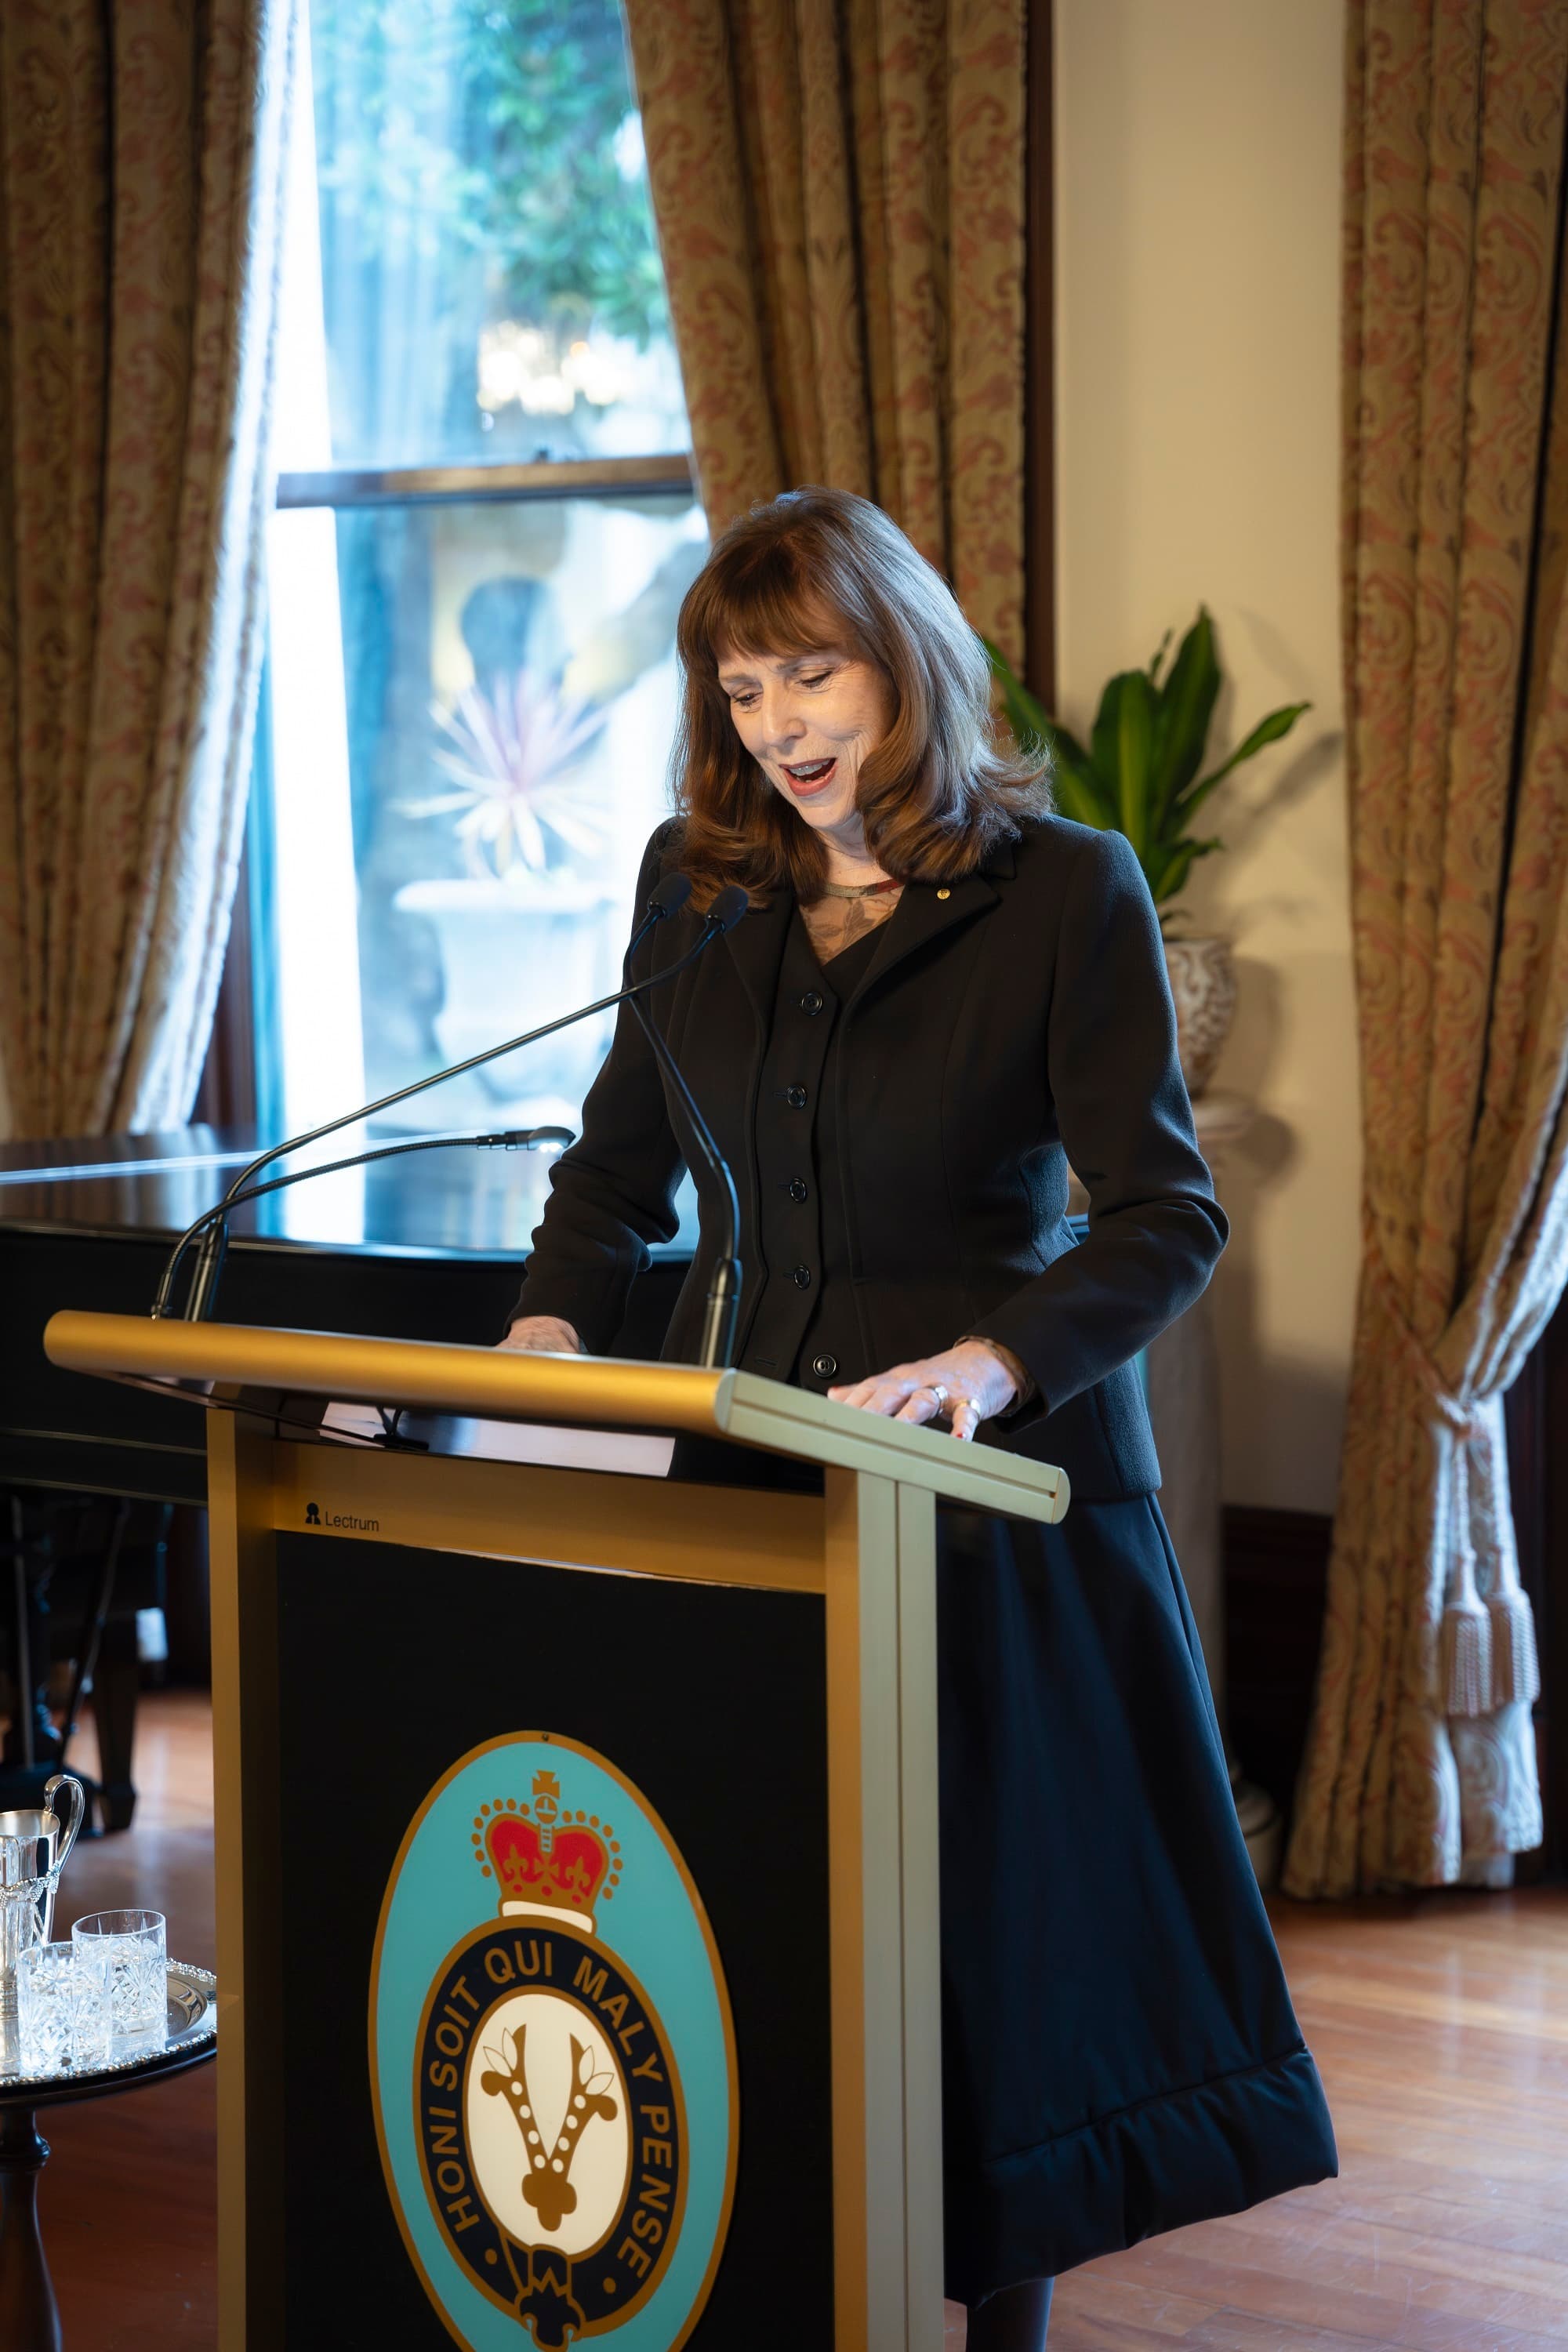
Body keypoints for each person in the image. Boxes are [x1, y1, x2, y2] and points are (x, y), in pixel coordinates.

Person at [501, 486, 1337, 2348]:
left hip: (984, 1500)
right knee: (753, 1930)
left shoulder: (1064, 892)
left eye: (816, 675)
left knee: (978, 1973)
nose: (781, 725)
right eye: (741, 688)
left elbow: (1163, 1215)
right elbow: (617, 1171)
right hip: (746, 1485)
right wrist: (552, 1329)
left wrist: (988, 1364)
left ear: (907, 667)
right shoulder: (695, 888)